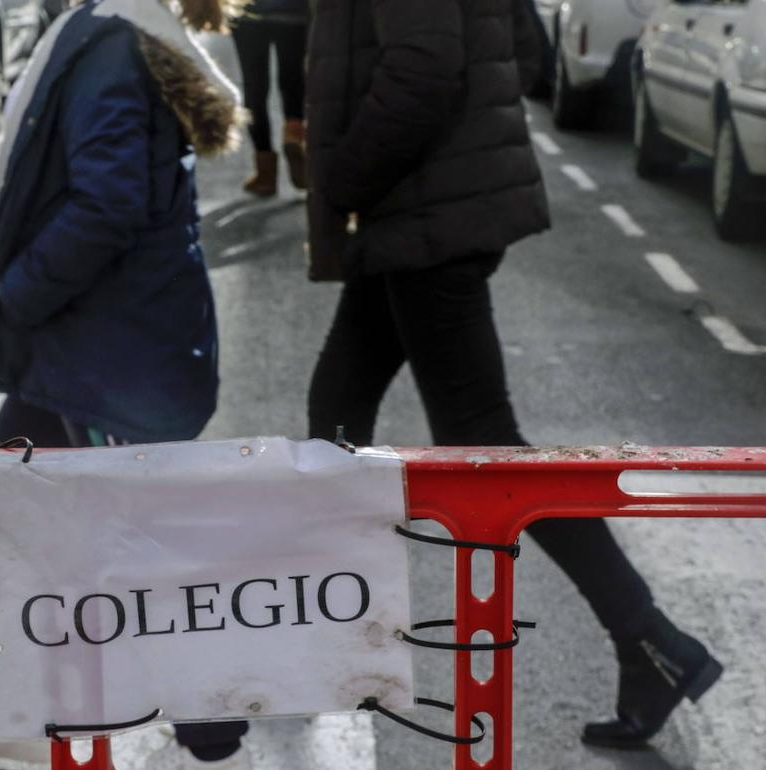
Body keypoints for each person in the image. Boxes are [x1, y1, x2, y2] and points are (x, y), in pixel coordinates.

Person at [303, 0, 722, 750]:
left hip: (427, 220)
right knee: (337, 412)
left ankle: (649, 638)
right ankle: (313, 647)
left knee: (482, 441)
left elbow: (424, 69)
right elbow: (522, 48)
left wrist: (346, 177)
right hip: (421, 215)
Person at [0, 0, 251, 767]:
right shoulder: (126, 33)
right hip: (107, 337)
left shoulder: (109, 45)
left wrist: (18, 294)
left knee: (129, 540)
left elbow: (108, 203)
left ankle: (195, 713)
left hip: (106, 342)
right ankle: (38, 707)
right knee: (17, 495)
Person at [230, 0, 308, 196]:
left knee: (254, 86)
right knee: (293, 79)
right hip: (293, 11)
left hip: (246, 11)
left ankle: (265, 174)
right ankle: (294, 136)